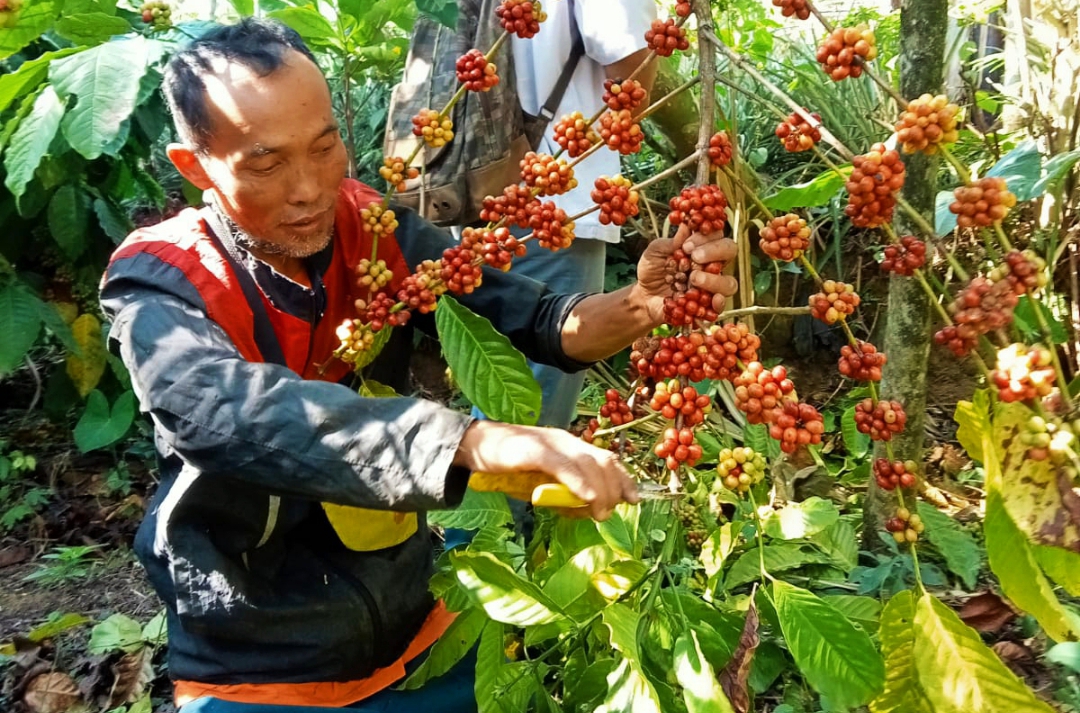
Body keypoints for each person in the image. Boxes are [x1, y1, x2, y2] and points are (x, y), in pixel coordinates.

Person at [99, 18, 737, 713]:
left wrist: (641, 304)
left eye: (325, 146)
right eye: (265, 163)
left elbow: (538, 321)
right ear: (195, 166)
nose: (310, 187)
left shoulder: (373, 231)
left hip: (413, 628)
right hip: (256, 659)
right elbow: (221, 410)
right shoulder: (163, 275)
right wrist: (469, 439)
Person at [479, 0, 658, 429]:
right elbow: (631, 70)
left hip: (478, 191)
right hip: (554, 208)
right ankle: (504, 499)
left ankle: (483, 497)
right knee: (527, 414)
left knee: (495, 384)